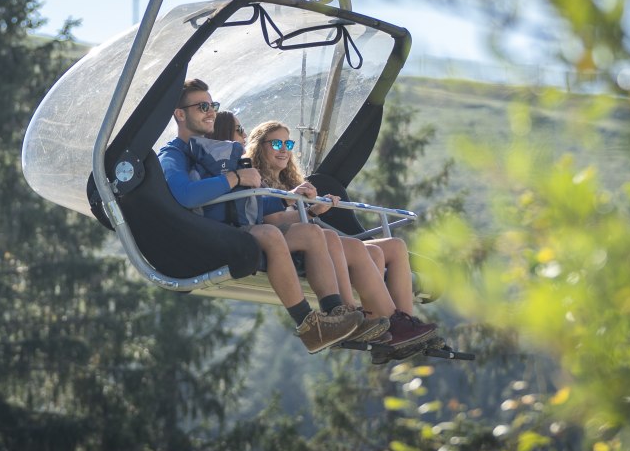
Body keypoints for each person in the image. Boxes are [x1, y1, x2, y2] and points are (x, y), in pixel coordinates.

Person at [157, 79, 364, 353]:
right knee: (267, 234)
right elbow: (185, 195)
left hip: (237, 226)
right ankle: (307, 323)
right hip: (206, 236)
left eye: (213, 106)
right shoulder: (173, 154)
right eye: (202, 106)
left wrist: (295, 202)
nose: (210, 112)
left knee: (314, 233)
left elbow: (252, 205)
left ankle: (335, 313)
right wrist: (234, 177)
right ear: (180, 114)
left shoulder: (216, 153)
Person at [245, 120, 438, 353]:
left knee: (392, 246)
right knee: (353, 247)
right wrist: (301, 207)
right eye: (276, 143)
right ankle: (373, 320)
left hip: (308, 236)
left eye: (288, 142)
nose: (284, 149)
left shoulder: (292, 182)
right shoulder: (256, 179)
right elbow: (269, 220)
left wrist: (314, 209)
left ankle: (399, 325)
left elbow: (296, 218)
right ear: (259, 147)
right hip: (294, 242)